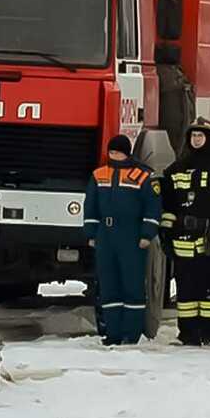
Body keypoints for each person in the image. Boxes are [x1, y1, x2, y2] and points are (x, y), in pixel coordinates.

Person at [160, 117, 210, 346]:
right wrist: (166, 233)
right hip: (183, 240)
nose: (196, 140)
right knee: (186, 291)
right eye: (193, 135)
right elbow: (169, 204)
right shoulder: (177, 168)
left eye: (201, 136)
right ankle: (188, 333)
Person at [82, 134, 163, 346]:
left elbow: (152, 207)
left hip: (131, 236)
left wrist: (147, 234)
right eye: (111, 152)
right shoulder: (99, 175)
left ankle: (131, 333)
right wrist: (91, 233)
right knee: (109, 285)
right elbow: (90, 206)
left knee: (133, 286)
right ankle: (113, 332)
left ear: (126, 153)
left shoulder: (143, 176)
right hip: (105, 236)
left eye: (118, 152)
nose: (114, 155)